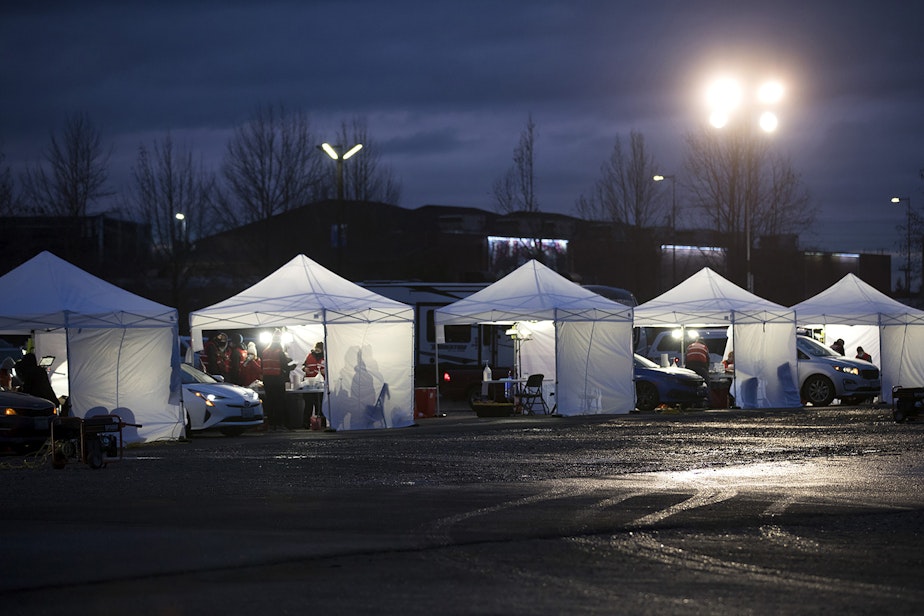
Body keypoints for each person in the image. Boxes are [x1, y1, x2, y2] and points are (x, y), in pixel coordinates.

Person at [260, 330, 293, 430]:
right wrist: (293, 366)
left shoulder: (265, 352)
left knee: (270, 402)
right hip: (277, 380)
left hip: (267, 380)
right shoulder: (280, 352)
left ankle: (270, 424)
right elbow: (285, 367)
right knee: (279, 402)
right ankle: (279, 424)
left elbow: (263, 366)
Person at [302, 341, 326, 428]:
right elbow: (303, 366)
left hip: (320, 385)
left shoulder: (325, 357)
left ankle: (321, 424)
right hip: (309, 384)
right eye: (316, 349)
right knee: (308, 405)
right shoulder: (309, 356)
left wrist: (325, 372)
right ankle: (306, 424)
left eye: (319, 349)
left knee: (319, 405)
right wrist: (305, 369)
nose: (317, 351)